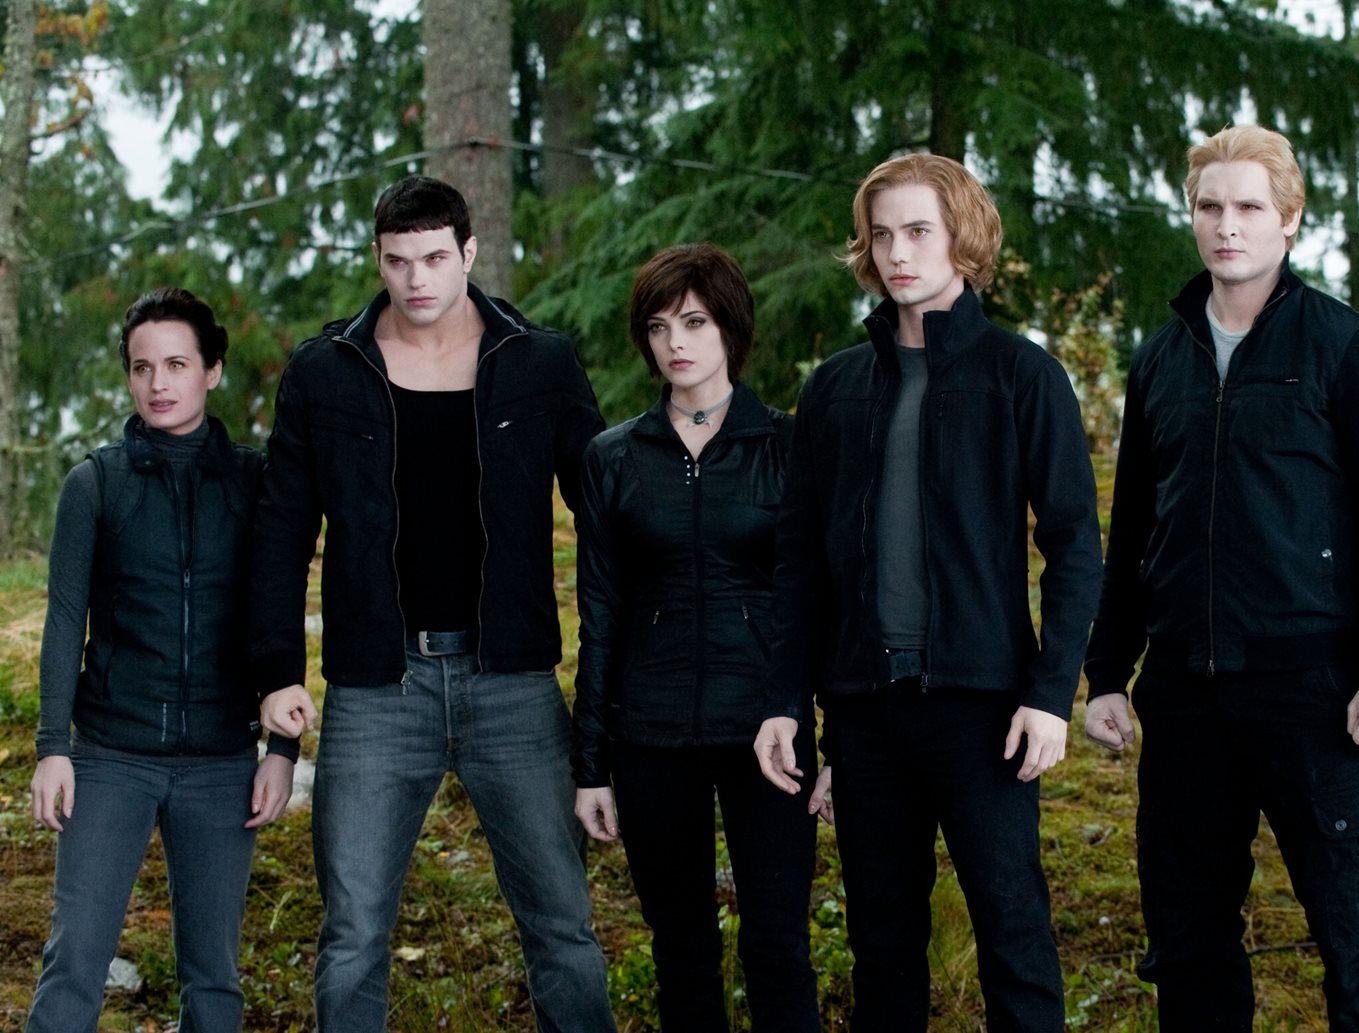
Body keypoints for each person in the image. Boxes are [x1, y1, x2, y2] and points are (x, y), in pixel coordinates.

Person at [1081, 123, 1359, 1030]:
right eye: (1210, 206)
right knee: (1188, 940)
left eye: (1248, 207)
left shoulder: (1347, 347)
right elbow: (1134, 528)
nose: (1226, 225)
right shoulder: (1160, 359)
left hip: (1312, 688)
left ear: (1290, 219)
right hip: (1184, 691)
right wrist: (1107, 671)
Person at [252, 175, 616, 1032]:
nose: (417, 279)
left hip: (512, 679)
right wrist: (276, 674)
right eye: (398, 261)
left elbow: (606, 512)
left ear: (469, 252)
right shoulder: (325, 372)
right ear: (378, 259)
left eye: (435, 258)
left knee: (562, 925)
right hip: (377, 685)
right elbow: (279, 533)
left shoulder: (539, 362)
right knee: (351, 934)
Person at [752, 153, 1102, 1033]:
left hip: (985, 709)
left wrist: (1049, 695)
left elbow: (1073, 546)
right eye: (882, 234)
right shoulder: (834, 388)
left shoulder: (1023, 376)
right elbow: (799, 564)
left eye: (919, 231)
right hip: (865, 711)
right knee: (882, 947)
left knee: (1013, 936)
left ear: (962, 238)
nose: (898, 252)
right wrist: (787, 702)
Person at [27, 288, 298, 1032]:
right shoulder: (96, 483)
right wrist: (53, 747)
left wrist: (282, 751)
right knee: (75, 962)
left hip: (221, 763)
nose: (158, 383)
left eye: (177, 364)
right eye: (142, 367)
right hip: (111, 757)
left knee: (213, 978)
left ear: (213, 370)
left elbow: (277, 618)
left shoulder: (255, 482)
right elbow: (64, 621)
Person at [571, 243, 818, 1031]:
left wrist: (830, 735)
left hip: (768, 734)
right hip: (651, 735)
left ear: (731, 328)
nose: (674, 342)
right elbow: (600, 613)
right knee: (681, 948)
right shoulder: (613, 457)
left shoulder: (789, 445)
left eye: (695, 321)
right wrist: (590, 765)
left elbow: (820, 601)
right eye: (658, 326)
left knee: (778, 945)